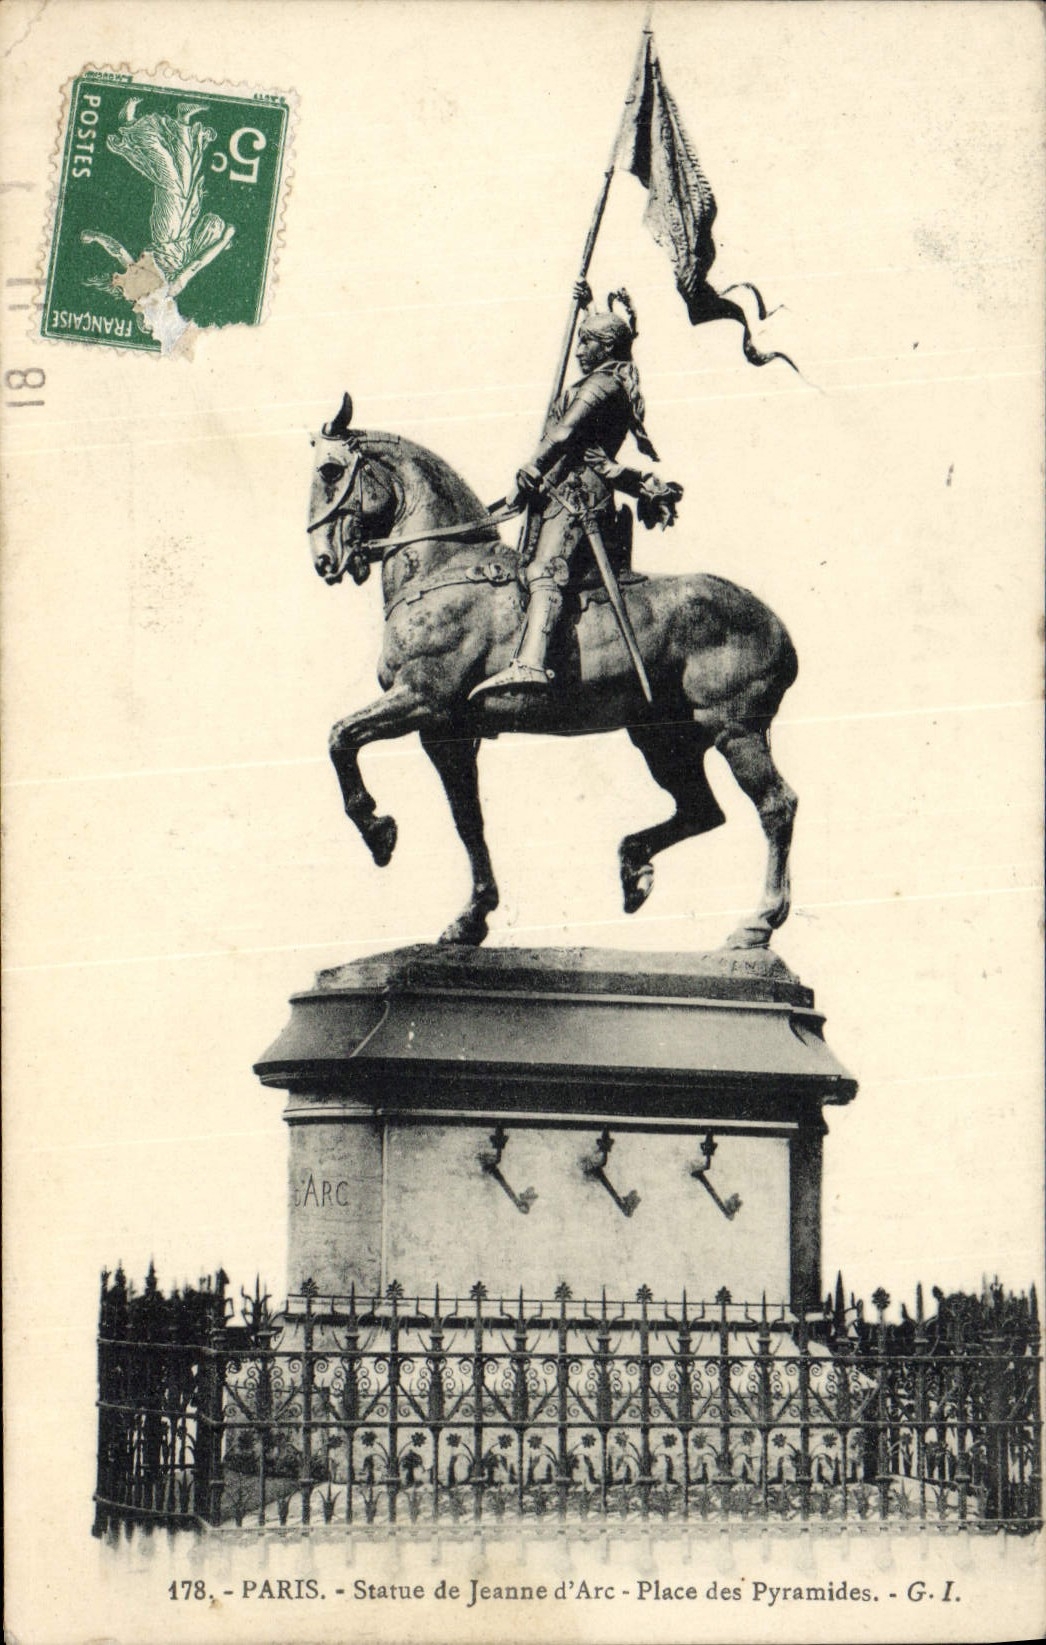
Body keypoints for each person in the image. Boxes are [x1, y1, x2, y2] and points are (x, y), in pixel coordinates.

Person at [471, 282, 682, 696]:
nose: (579, 351)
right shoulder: (600, 379)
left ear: (605, 348)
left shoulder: (602, 386)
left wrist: (531, 467)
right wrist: (585, 304)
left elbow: (566, 432)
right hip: (561, 490)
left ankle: (531, 662)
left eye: (586, 343)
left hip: (578, 497)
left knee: (543, 571)